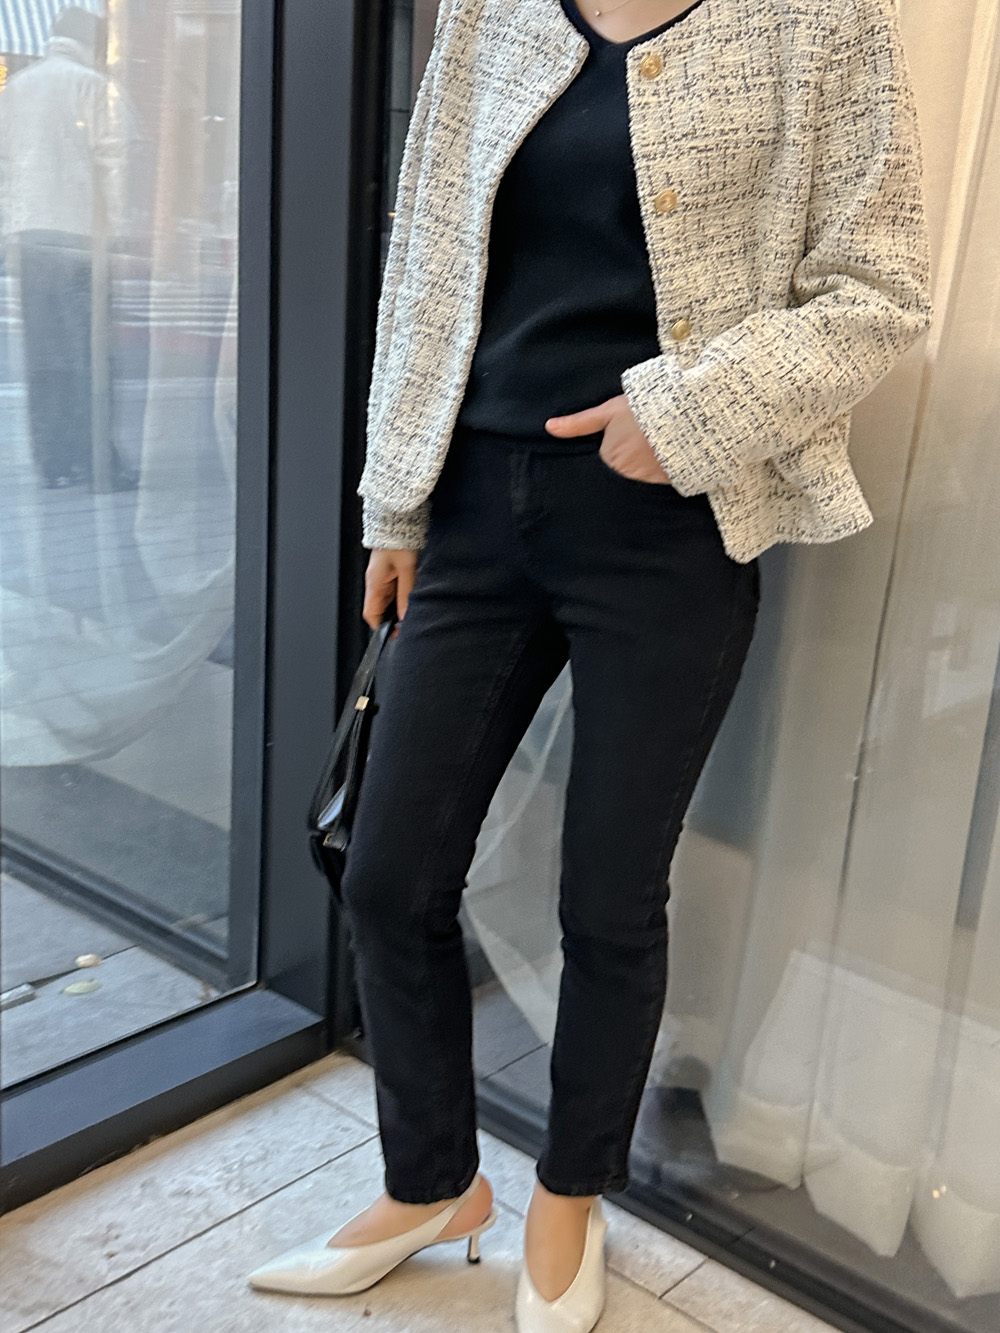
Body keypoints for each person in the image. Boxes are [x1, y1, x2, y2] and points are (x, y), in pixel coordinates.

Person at [249, 0, 933, 1328]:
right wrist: (396, 506)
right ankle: (432, 1182)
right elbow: (427, 261)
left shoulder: (821, 22)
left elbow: (877, 291)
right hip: (473, 509)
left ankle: (570, 1193)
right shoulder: (493, 13)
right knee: (387, 872)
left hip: (667, 524)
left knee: (609, 899)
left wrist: (681, 414)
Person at [0, 6, 138, 490]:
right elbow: (114, 162)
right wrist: (117, 230)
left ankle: (53, 460)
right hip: (80, 239)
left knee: (45, 355)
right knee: (91, 355)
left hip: (30, 237)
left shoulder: (17, 88)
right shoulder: (94, 86)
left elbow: (5, 167)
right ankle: (99, 461)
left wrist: (9, 229)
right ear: (94, 42)